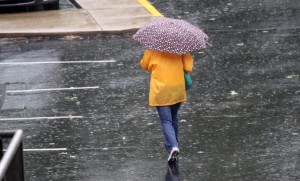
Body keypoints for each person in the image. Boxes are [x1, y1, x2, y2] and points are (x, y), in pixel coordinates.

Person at [140, 49, 194, 164]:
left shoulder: (153, 48)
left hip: (161, 89)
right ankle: (175, 147)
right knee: (173, 117)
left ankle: (173, 147)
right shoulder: (180, 47)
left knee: (166, 120)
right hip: (177, 87)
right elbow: (188, 66)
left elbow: (145, 65)